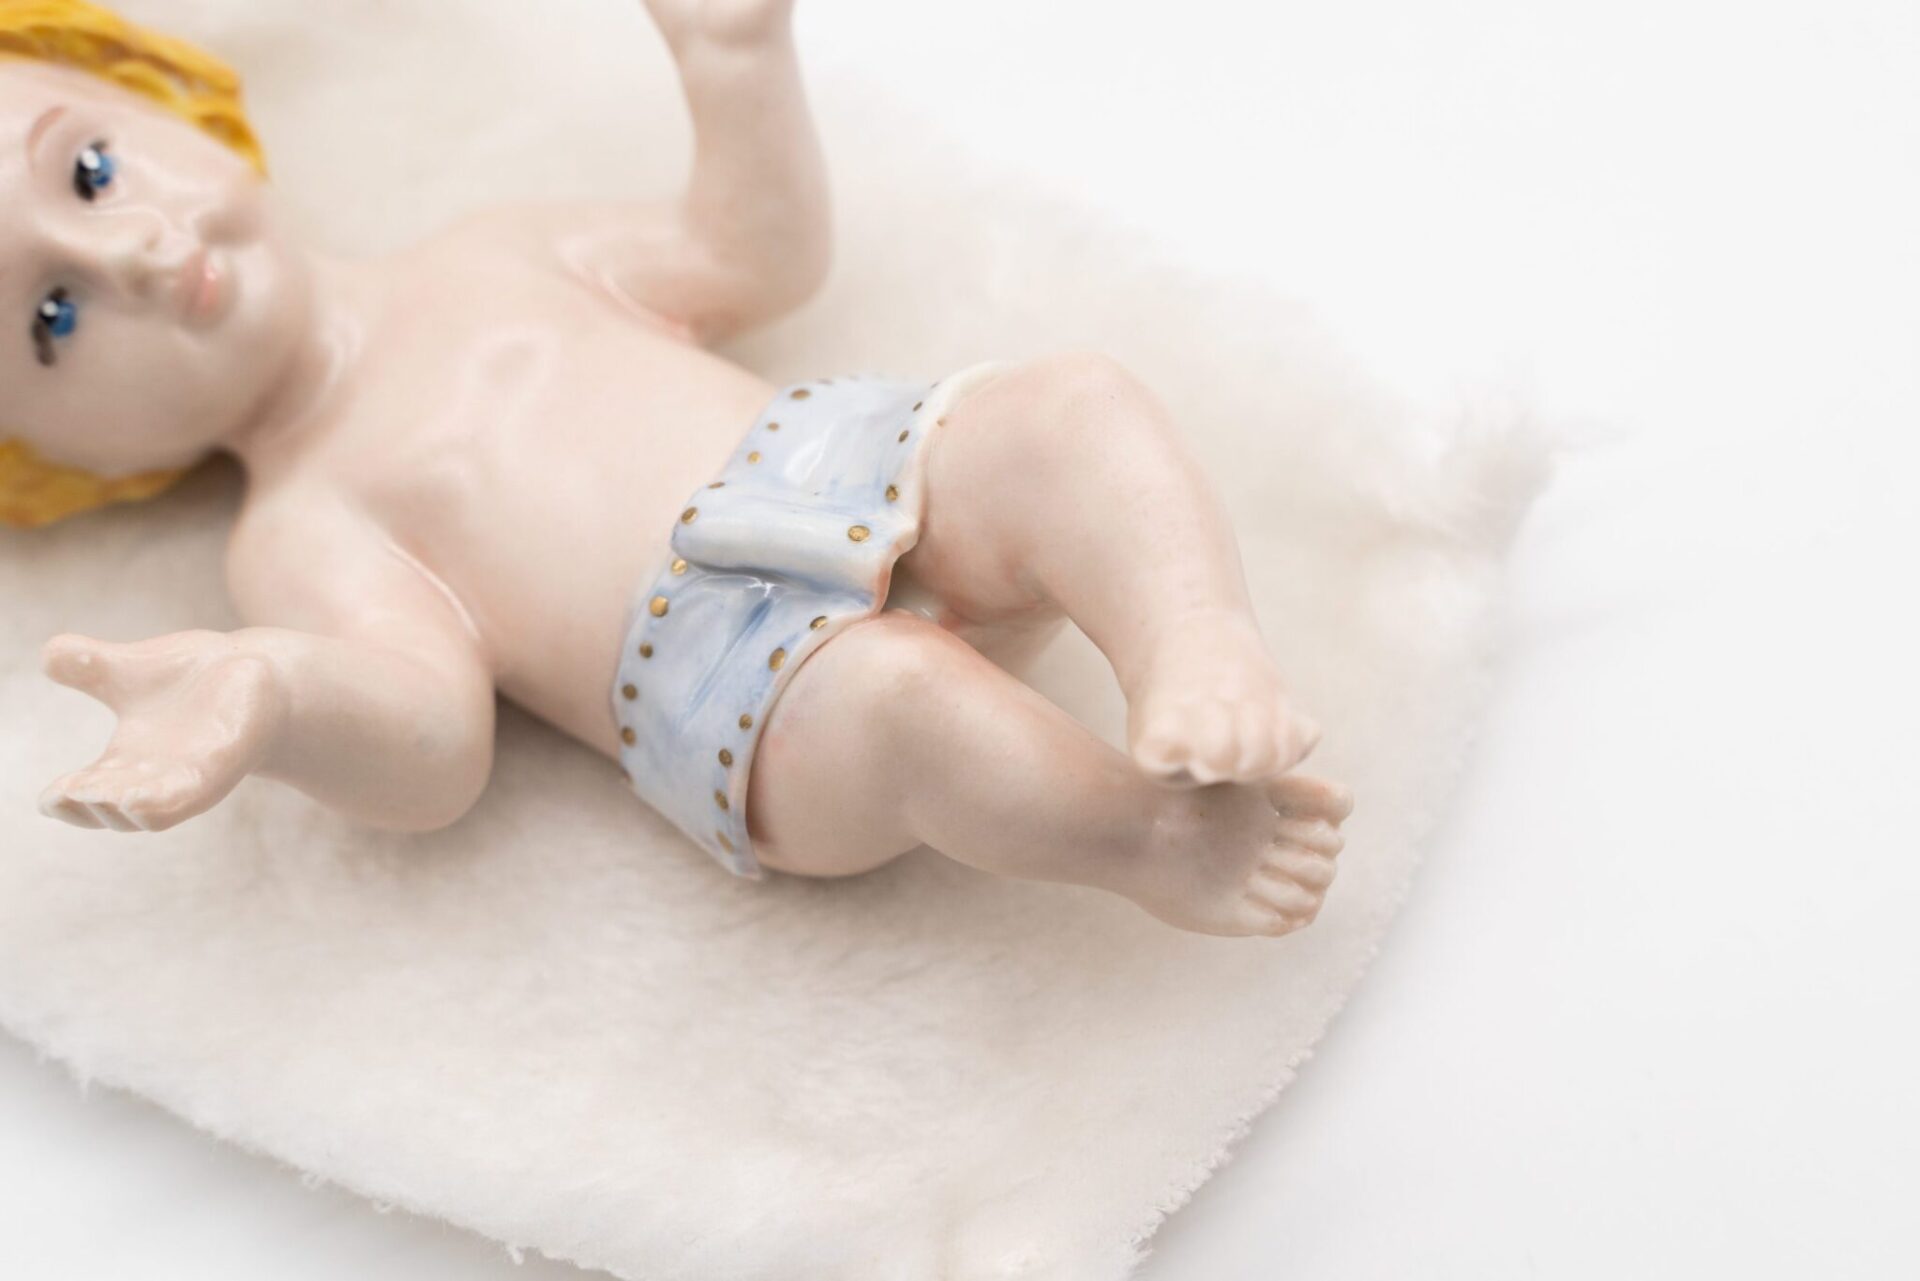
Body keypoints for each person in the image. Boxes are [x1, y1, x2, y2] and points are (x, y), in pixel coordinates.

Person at [2, 0, 1350, 937]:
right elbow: (432, 748)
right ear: (49, 459)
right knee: (907, 702)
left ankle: (1193, 642)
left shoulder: (489, 245)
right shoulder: (301, 524)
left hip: (839, 464)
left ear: (154, 94)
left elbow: (743, 255)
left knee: (1070, 408)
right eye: (53, 318)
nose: (129, 257)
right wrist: (274, 696)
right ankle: (1149, 836)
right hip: (729, 682)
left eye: (93, 171)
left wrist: (734, 64)